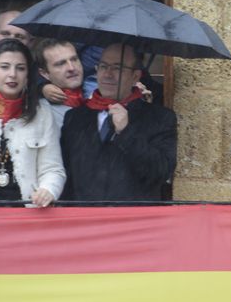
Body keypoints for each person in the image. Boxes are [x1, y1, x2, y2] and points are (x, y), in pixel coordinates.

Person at [60, 42, 177, 202]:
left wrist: (127, 132)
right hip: (84, 221)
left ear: (135, 76)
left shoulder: (160, 118)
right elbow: (65, 176)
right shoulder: (75, 118)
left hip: (133, 222)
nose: (108, 74)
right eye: (103, 66)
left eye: (117, 68)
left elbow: (160, 172)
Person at [0, 39, 64, 211]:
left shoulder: (43, 113)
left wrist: (48, 190)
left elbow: (53, 169)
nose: (13, 74)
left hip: (27, 216)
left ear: (28, 75)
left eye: (20, 68)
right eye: (4, 67)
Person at [55, 0, 124, 89]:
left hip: (110, 89)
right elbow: (46, 62)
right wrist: (43, 86)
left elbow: (131, 64)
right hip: (70, 91)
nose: (86, 1)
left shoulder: (119, 28)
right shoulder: (61, 27)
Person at [34, 38, 86, 131]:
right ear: (44, 73)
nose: (71, 68)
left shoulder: (96, 98)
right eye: (61, 64)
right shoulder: (40, 115)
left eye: (74, 59)